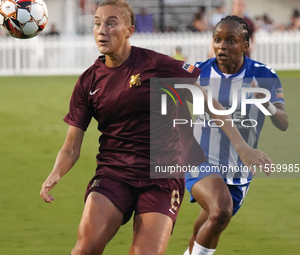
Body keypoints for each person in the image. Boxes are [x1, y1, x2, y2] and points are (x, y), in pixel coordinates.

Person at [39, 1, 272, 254]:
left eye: (111, 23)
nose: (102, 30)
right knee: (85, 249)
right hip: (113, 174)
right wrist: (56, 172)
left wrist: (242, 147)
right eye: (97, 23)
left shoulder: (156, 65)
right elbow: (71, 146)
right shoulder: (88, 82)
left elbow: (207, 101)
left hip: (161, 179)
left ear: (130, 30)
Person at [183, 15, 288, 255]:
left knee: (208, 224)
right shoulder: (198, 72)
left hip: (239, 170)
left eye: (231, 40)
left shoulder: (264, 76)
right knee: (221, 211)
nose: (222, 46)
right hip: (200, 158)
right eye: (218, 39)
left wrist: (268, 104)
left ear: (246, 44)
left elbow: (283, 122)